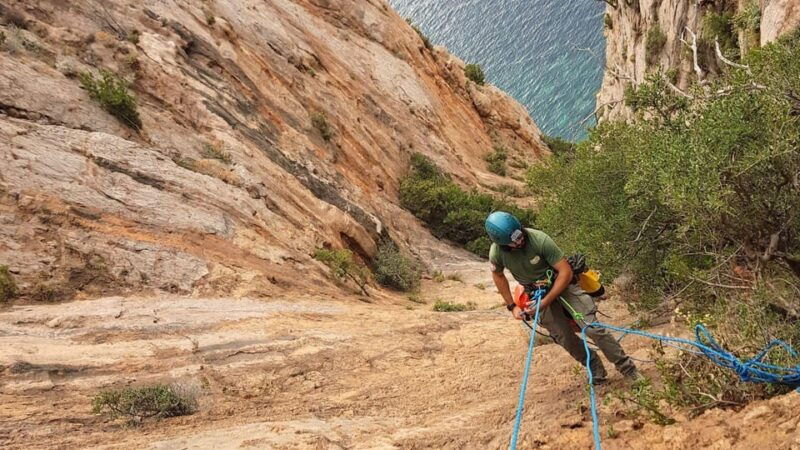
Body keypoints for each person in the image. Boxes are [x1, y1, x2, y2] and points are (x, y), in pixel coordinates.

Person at [485, 211, 640, 384]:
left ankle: (628, 369)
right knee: (564, 337)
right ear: (502, 243)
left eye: (520, 235)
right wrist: (512, 306)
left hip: (562, 284)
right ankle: (594, 367)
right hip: (535, 292)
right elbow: (498, 276)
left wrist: (545, 302)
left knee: (592, 328)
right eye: (515, 241)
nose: (520, 240)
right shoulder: (497, 253)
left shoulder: (539, 239)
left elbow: (565, 272)